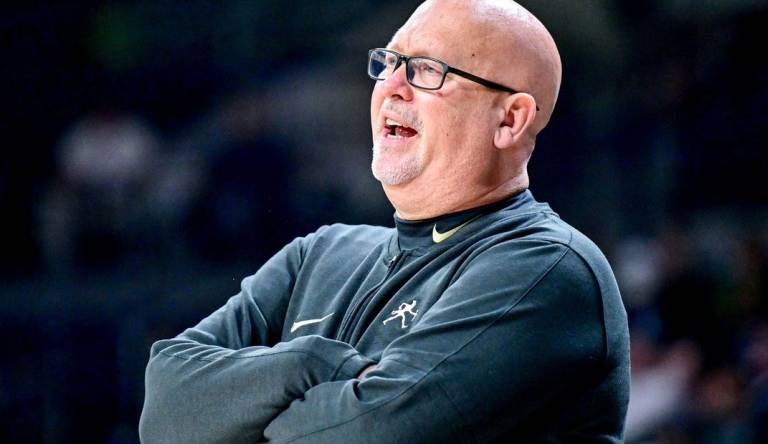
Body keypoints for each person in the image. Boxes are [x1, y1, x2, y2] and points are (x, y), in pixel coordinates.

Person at [139, 0, 630, 442]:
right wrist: (313, 363)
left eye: (426, 70)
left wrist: (238, 419)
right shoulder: (319, 254)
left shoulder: (546, 268)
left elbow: (373, 434)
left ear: (510, 120)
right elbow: (164, 414)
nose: (391, 87)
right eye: (389, 62)